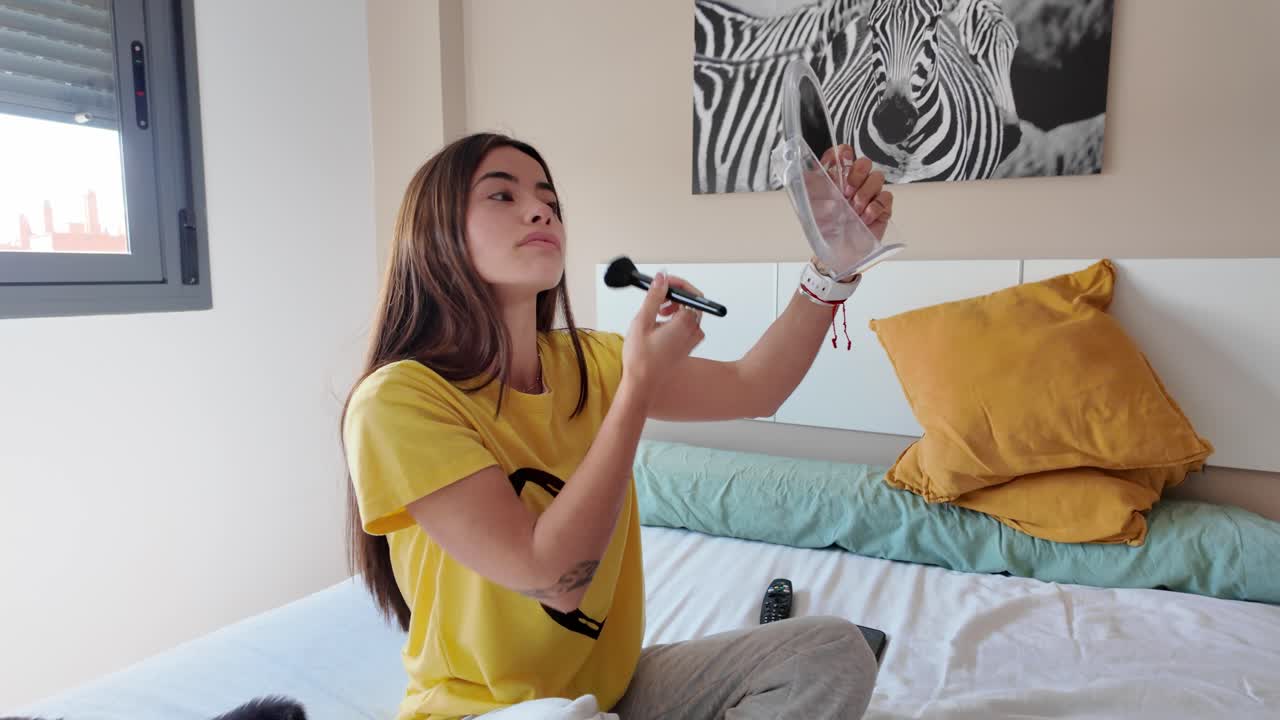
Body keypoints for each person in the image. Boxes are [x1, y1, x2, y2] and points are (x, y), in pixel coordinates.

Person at [341, 132, 893, 720]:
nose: (540, 210)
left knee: (834, 649)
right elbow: (554, 580)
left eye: (549, 200)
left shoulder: (592, 362)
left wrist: (832, 268)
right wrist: (637, 388)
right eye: (501, 196)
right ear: (432, 232)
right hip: (488, 712)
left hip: (612, 694)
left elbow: (756, 384)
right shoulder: (399, 400)